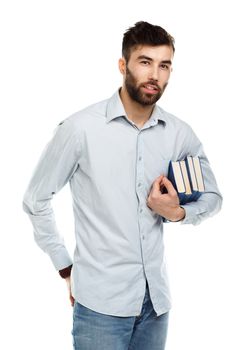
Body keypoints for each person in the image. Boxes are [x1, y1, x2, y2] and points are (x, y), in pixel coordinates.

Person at [23, 21, 222, 350]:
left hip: (156, 304)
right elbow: (35, 200)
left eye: (164, 65)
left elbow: (213, 197)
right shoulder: (79, 129)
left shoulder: (178, 133)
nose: (154, 75)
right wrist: (64, 266)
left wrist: (176, 212)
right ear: (123, 65)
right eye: (145, 62)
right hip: (100, 306)